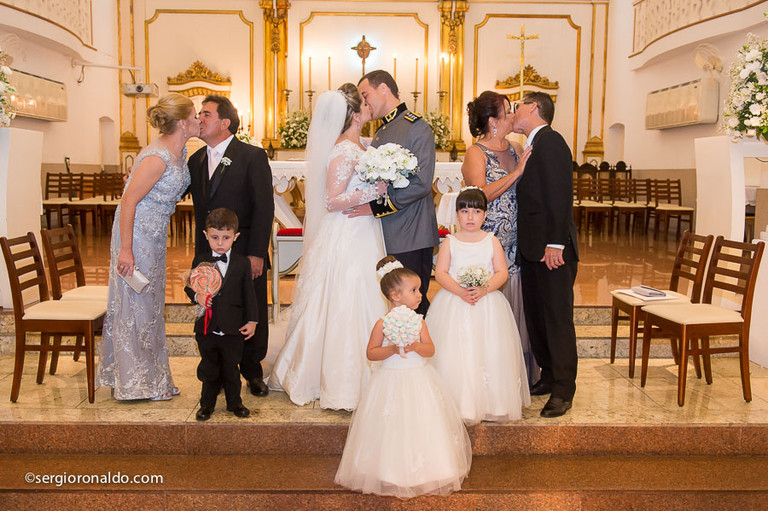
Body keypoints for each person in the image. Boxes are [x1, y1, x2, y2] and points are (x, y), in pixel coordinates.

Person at [269, 85, 389, 410]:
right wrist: (373, 192)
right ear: (352, 114)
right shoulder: (344, 151)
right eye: (364, 104)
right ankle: (342, 382)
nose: (369, 108)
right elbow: (331, 199)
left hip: (362, 230)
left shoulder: (358, 146)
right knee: (346, 298)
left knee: (364, 295)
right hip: (348, 233)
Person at [335, 256, 471, 498]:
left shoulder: (419, 322)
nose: (420, 295)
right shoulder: (382, 324)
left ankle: (427, 469)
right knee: (390, 427)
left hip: (418, 379)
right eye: (414, 290)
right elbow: (371, 352)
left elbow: (430, 350)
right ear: (395, 296)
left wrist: (416, 347)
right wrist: (392, 348)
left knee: (422, 423)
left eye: (419, 289)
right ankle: (386, 470)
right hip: (390, 382)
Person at [97, 93, 199, 400]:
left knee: (150, 307)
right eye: (194, 116)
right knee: (135, 306)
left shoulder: (178, 153)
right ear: (182, 122)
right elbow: (128, 201)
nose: (198, 121)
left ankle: (154, 378)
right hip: (136, 235)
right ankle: (135, 383)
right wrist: (126, 250)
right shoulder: (157, 157)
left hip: (154, 236)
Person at [187, 95, 274, 397]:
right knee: (212, 309)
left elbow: (264, 208)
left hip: (245, 250)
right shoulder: (195, 160)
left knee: (250, 309)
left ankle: (253, 371)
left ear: (224, 123)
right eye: (199, 113)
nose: (200, 119)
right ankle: (216, 371)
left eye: (206, 114)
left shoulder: (251, 156)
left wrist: (256, 254)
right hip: (207, 254)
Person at [427, 188, 531, 424]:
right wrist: (460, 291)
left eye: (476, 211)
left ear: (485, 215)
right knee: (456, 353)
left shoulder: (491, 241)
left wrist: (484, 289)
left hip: (487, 303)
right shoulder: (450, 242)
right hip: (454, 302)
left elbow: (501, 272)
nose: (470, 217)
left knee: (488, 351)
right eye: (464, 211)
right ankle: (457, 403)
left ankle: (491, 403)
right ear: (457, 215)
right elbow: (441, 273)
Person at [462, 90, 539, 389]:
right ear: (493, 121)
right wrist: (518, 172)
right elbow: (479, 194)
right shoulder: (476, 153)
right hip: (489, 243)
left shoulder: (519, 147)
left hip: (519, 242)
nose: (512, 116)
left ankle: (515, 380)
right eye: (507, 112)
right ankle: (487, 382)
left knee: (516, 313)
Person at [347, 70, 439, 315]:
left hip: (410, 231)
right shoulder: (383, 130)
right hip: (387, 231)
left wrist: (375, 207)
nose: (365, 103)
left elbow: (421, 183)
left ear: (384, 89)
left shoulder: (415, 128)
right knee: (394, 304)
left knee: (413, 303)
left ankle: (420, 351)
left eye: (366, 95)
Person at [512, 92, 579, 418]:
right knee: (538, 316)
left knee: (556, 318)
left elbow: (560, 194)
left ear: (534, 108)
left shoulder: (551, 142)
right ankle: (550, 375)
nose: (515, 111)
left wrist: (556, 242)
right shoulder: (533, 145)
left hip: (552, 250)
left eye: (519, 105)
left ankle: (564, 388)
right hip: (533, 249)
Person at [185, 208, 257, 421]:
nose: (220, 243)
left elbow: (249, 295)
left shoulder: (242, 263)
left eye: (226, 238)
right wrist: (197, 296)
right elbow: (190, 287)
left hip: (233, 327)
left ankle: (235, 404)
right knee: (209, 369)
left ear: (235, 237)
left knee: (231, 369)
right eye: (215, 237)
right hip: (207, 327)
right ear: (205, 235)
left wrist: (252, 320)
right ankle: (206, 405)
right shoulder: (200, 260)